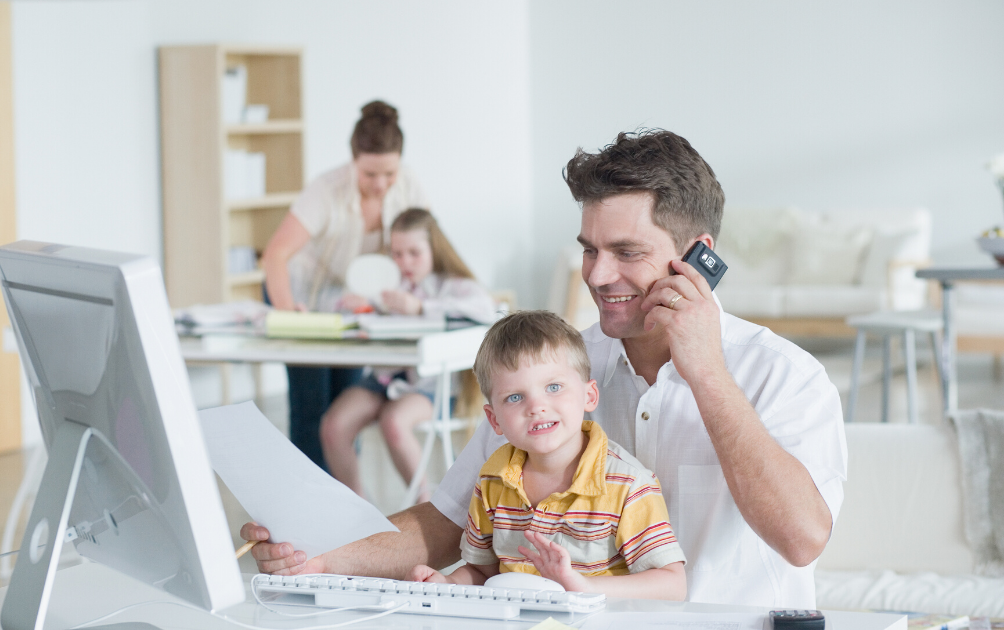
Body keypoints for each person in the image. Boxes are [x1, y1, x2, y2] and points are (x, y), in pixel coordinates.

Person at [242, 129, 847, 609]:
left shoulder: (784, 376)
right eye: (589, 249)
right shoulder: (556, 373)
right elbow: (447, 520)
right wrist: (320, 555)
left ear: (698, 257)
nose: (598, 275)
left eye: (627, 252)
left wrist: (707, 371)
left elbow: (801, 540)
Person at [405, 310, 686, 599]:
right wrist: (448, 584)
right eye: (515, 397)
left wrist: (582, 587)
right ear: (495, 420)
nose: (536, 406)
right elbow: (483, 572)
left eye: (553, 387)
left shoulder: (628, 485)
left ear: (589, 395)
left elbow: (672, 586)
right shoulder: (492, 481)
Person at [261, 100, 429, 470]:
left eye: (389, 173)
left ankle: (347, 510)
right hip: (299, 296)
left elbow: (426, 248)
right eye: (370, 174)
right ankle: (308, 513)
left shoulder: (409, 184)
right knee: (312, 407)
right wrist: (291, 315)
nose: (381, 184)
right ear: (354, 160)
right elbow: (275, 256)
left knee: (343, 411)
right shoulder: (326, 190)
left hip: (350, 304)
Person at [320, 208, 496, 502]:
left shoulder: (455, 287)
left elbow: (485, 310)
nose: (405, 263)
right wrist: (360, 306)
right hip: (383, 379)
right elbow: (356, 307)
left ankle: (426, 505)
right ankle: (357, 506)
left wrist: (420, 308)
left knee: (394, 421)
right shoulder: (389, 286)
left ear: (434, 249)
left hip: (430, 387)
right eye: (397, 254)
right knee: (333, 426)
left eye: (414, 253)